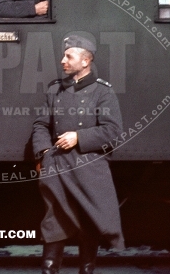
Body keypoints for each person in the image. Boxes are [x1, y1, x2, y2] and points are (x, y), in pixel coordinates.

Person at [32, 35, 125, 274]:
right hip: (57, 165)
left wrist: (78, 137)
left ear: (85, 61)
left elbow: (113, 131)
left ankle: (87, 269)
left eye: (68, 56)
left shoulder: (103, 92)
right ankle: (49, 270)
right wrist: (43, 153)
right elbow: (41, 124)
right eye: (64, 55)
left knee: (88, 223)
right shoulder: (55, 89)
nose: (62, 60)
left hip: (89, 166)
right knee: (54, 221)